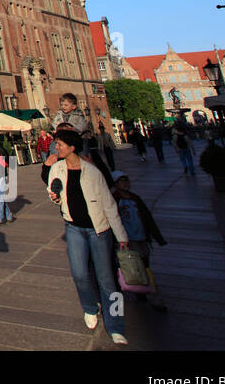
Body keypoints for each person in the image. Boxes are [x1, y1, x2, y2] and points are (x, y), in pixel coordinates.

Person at [45, 128, 129, 345]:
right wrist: (54, 197)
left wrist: (121, 236)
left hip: (99, 230)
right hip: (73, 228)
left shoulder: (92, 172)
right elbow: (54, 194)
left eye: (60, 145)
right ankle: (90, 307)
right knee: (80, 274)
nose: (56, 148)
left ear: (72, 147)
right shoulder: (57, 168)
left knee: (107, 280)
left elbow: (109, 205)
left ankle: (116, 325)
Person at [111, 171, 167, 312]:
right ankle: (140, 291)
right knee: (132, 266)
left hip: (141, 238)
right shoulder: (114, 200)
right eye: (121, 181)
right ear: (115, 184)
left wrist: (157, 237)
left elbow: (147, 218)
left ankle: (146, 291)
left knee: (145, 266)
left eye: (126, 180)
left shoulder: (136, 199)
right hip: (127, 240)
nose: (125, 184)